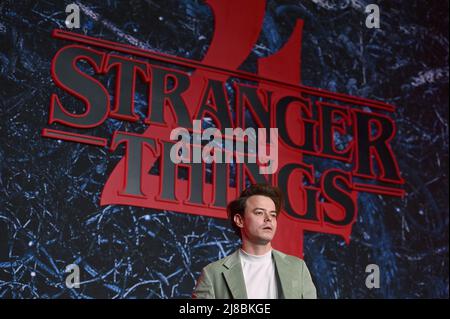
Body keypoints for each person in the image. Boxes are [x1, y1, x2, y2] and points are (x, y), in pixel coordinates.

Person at [192, 183, 317, 299]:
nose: (268, 219)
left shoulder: (297, 268)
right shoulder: (213, 274)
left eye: (273, 214)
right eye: (259, 213)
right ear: (239, 220)